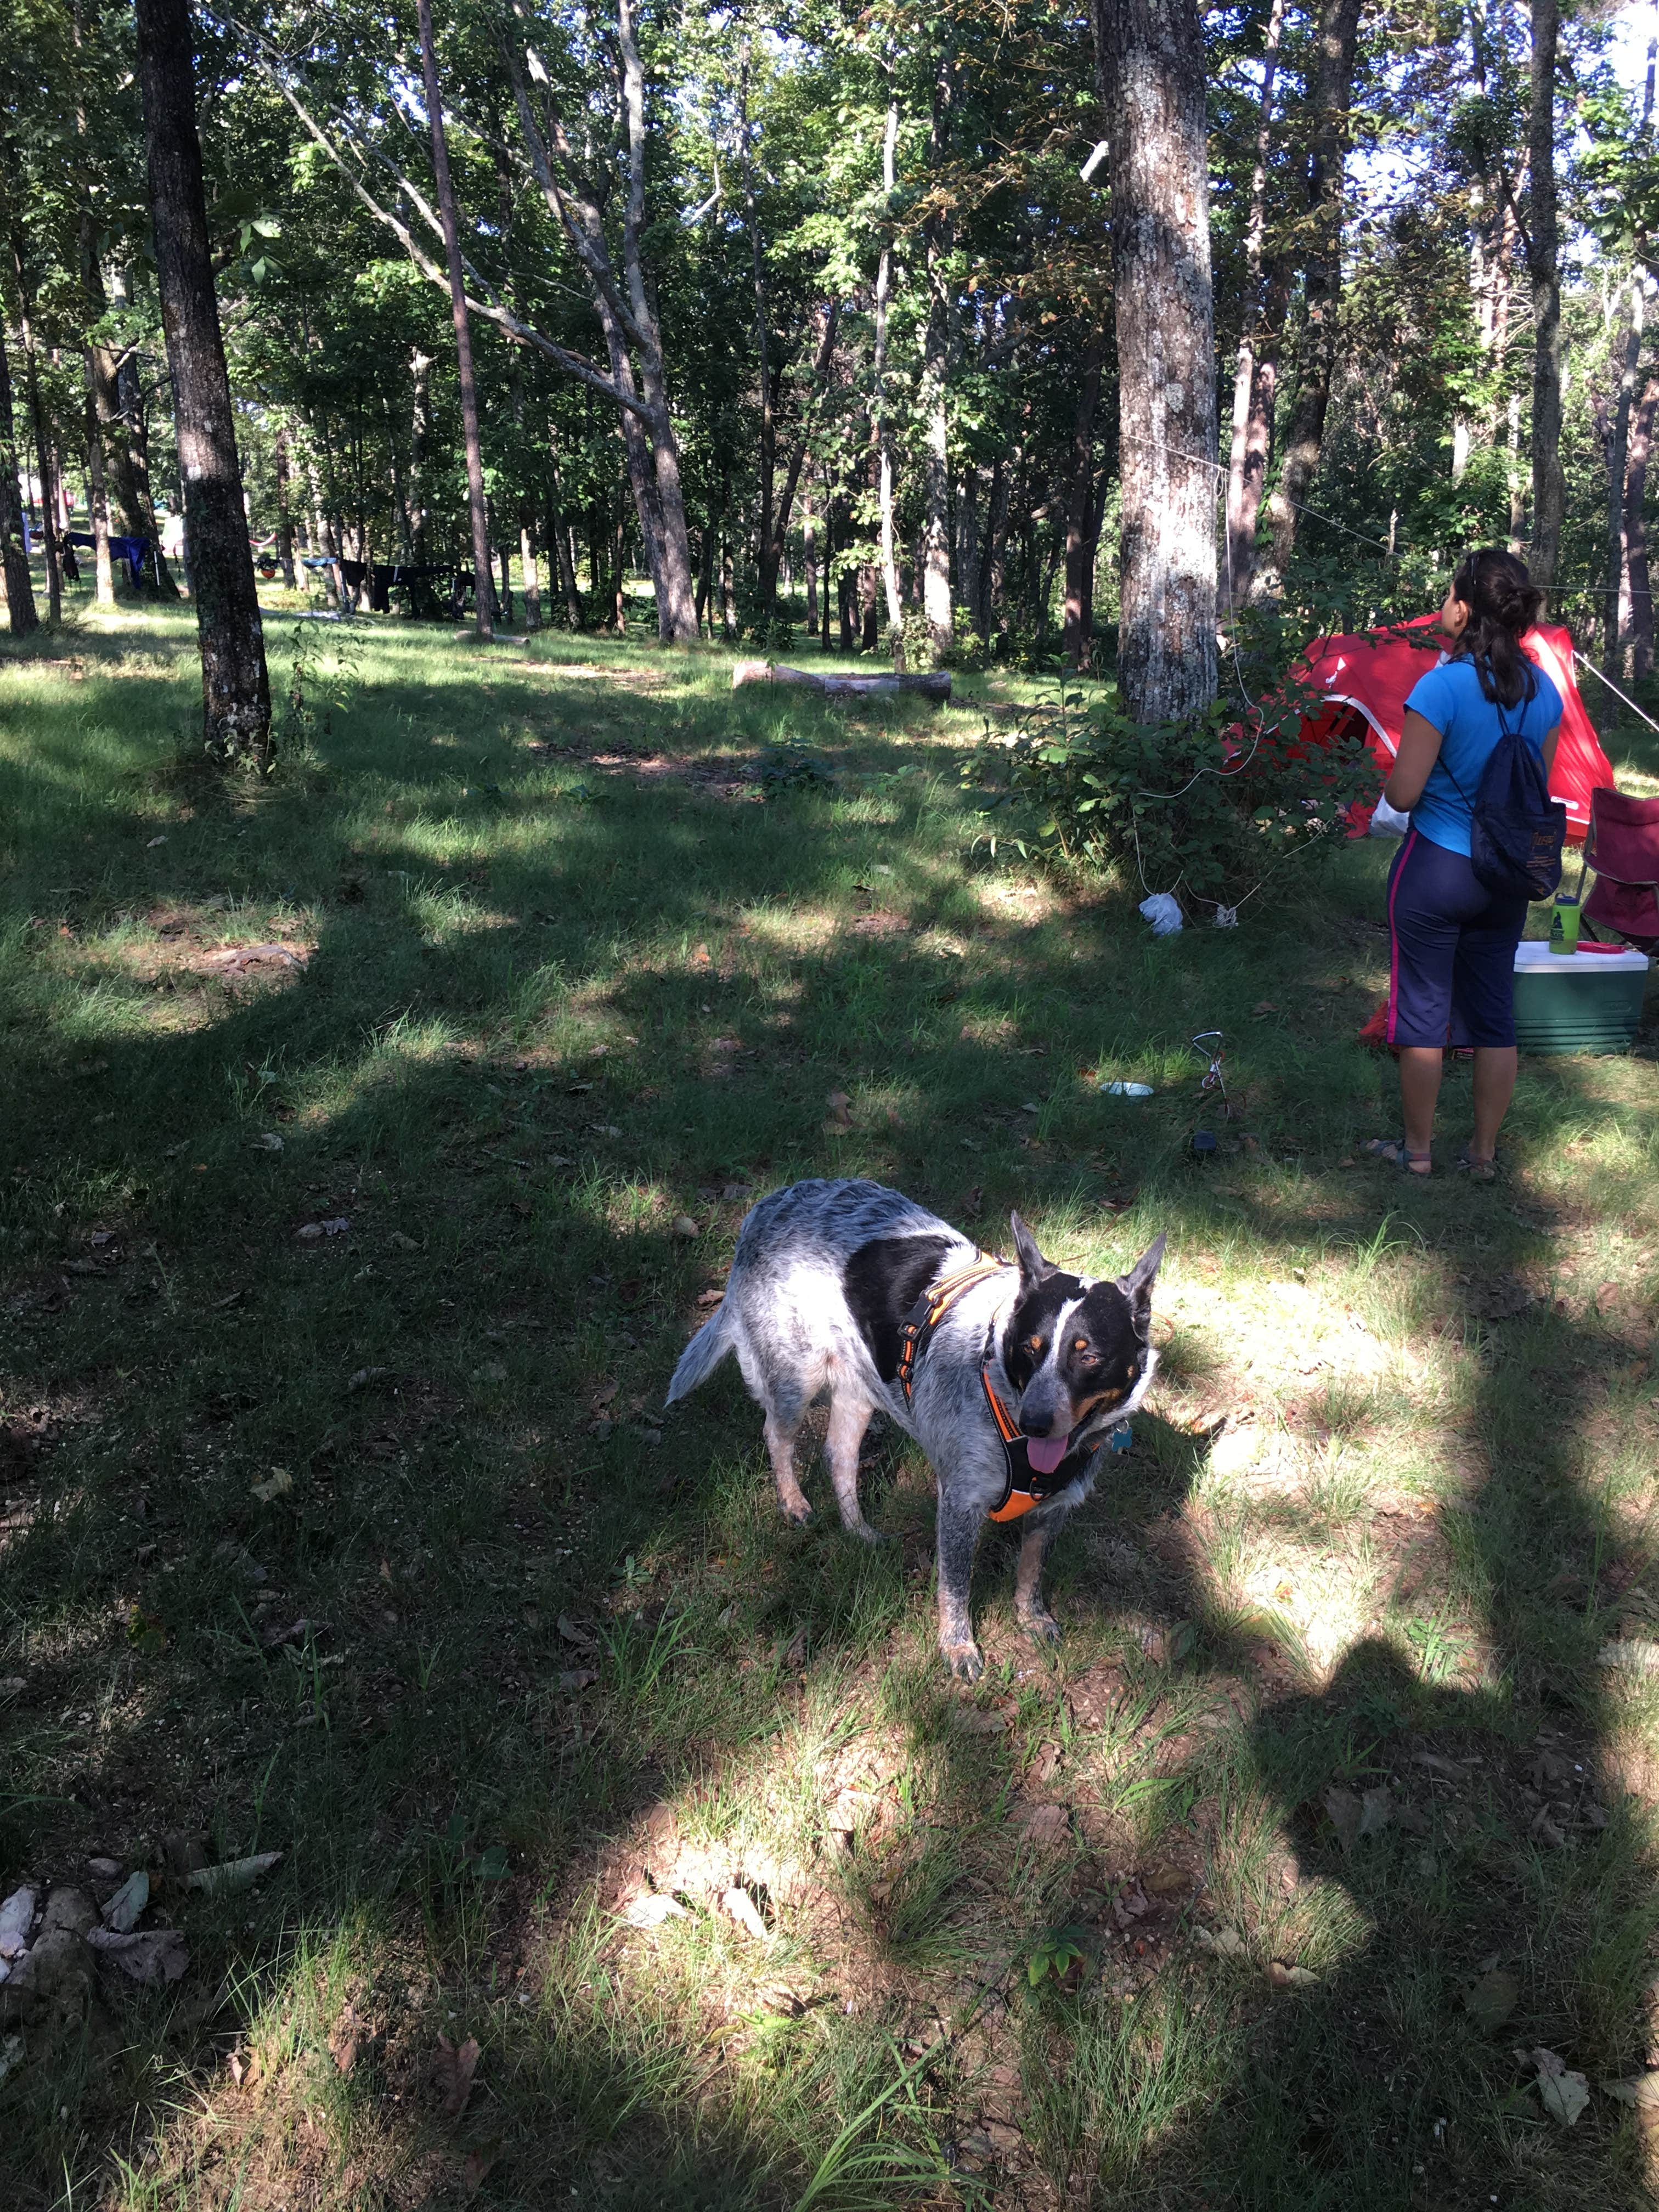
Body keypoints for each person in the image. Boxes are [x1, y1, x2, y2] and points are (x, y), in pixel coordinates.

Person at [1365, 548, 1561, 1181]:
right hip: (1505, 876)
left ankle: (1417, 1153)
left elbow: (1402, 795)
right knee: (1494, 1014)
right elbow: (1536, 788)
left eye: (1451, 595)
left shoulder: (1442, 686)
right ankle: (1482, 1155)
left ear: (1464, 608)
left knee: (1422, 1014)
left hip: (1437, 869)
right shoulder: (1544, 690)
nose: (1444, 606)